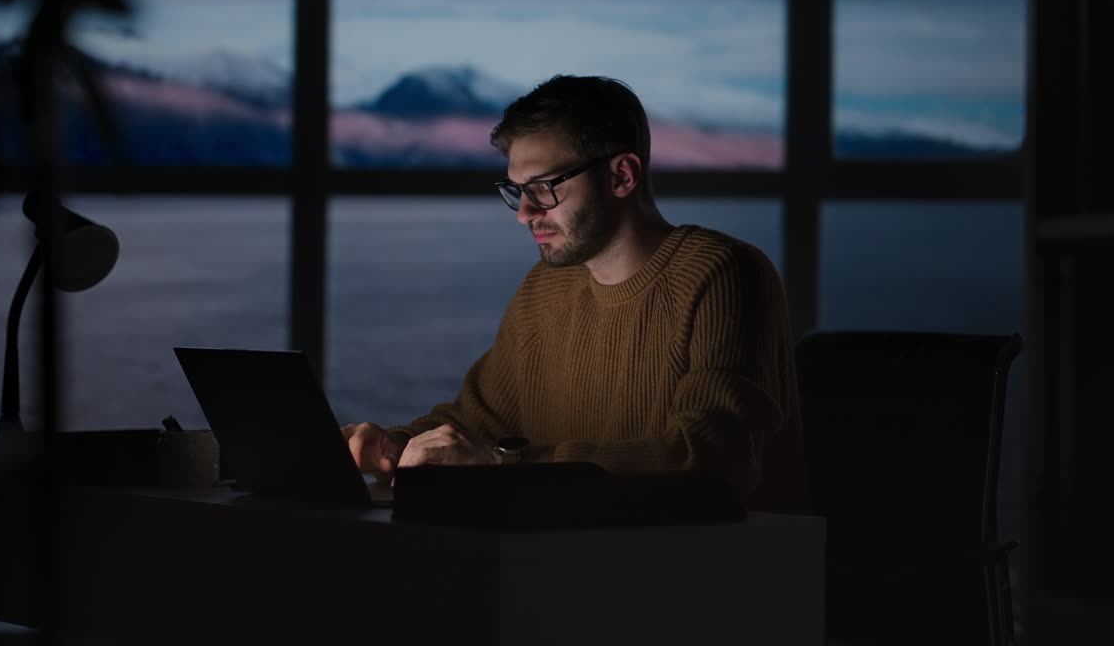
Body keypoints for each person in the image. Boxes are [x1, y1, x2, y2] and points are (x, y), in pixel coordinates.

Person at [342, 75, 806, 512]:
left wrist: (506, 465)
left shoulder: (723, 273)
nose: (524, 213)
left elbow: (713, 458)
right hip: (570, 551)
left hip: (714, 558)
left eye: (543, 188)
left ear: (622, 175)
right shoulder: (545, 287)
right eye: (516, 191)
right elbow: (475, 423)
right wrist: (394, 445)